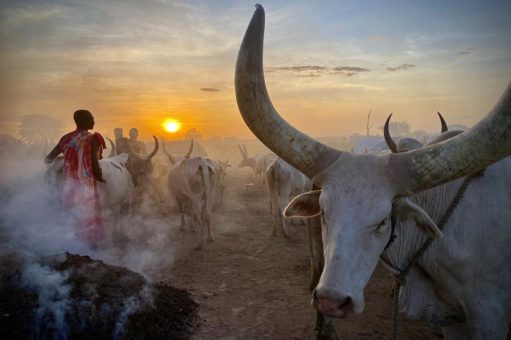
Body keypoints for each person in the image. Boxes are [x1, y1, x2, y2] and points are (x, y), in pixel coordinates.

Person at [45, 109, 106, 248]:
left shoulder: (65, 138)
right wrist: (100, 176)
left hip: (69, 184)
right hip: (86, 184)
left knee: (72, 212)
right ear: (83, 121)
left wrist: (66, 157)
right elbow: (95, 163)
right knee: (88, 213)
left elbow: (48, 159)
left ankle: (71, 245)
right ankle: (90, 247)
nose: (94, 121)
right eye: (91, 118)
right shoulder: (93, 138)